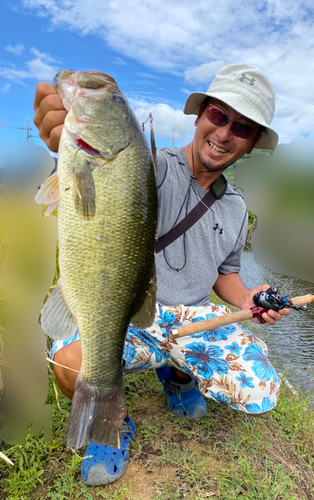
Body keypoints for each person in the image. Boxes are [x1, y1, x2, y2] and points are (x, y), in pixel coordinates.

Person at [33, 64, 289, 486]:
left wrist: (246, 299)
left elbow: (227, 276)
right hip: (130, 311)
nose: (224, 134)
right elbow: (104, 168)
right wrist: (68, 137)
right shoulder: (150, 165)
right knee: (71, 363)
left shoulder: (237, 208)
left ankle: (175, 372)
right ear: (200, 115)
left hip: (192, 320)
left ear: (253, 143)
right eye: (219, 117)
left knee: (260, 391)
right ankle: (112, 424)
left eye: (241, 128)